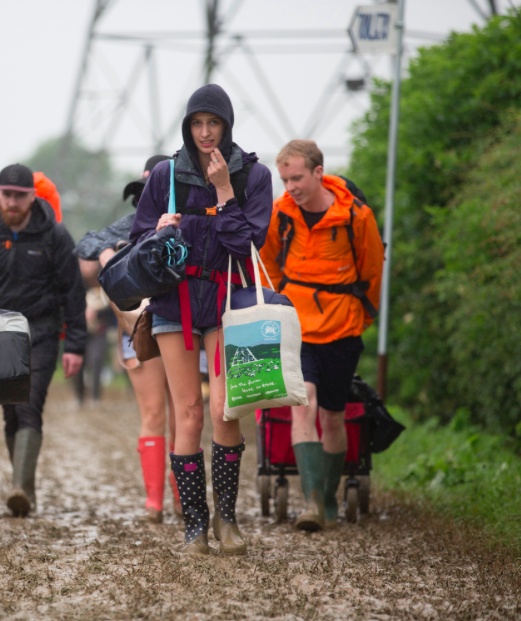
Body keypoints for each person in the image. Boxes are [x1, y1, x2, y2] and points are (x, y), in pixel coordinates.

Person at [130, 84, 273, 555]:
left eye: (214, 123)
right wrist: (156, 232)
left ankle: (226, 519)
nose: (206, 132)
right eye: (198, 123)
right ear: (187, 127)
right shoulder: (166, 175)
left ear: (228, 125)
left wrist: (225, 192)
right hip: (175, 303)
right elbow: (137, 244)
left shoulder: (254, 176)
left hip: (230, 302)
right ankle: (194, 524)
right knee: (188, 411)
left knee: (224, 409)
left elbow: (249, 247)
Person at [260, 140, 384, 530]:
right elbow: (268, 266)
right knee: (304, 402)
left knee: (332, 417)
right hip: (296, 326)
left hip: (342, 327)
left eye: (296, 177)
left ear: (318, 172)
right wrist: (279, 307)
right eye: (284, 179)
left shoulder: (356, 217)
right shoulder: (280, 213)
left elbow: (372, 273)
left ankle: (328, 500)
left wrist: (360, 318)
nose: (290, 186)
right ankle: (311, 503)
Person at [77, 154, 182, 523]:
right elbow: (87, 242)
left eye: (154, 188)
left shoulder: (190, 218)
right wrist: (109, 256)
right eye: (143, 190)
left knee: (185, 415)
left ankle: (183, 499)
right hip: (138, 326)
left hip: (185, 324)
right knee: (154, 412)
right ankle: (154, 502)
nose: (147, 197)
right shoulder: (132, 222)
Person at [0, 163, 87, 518]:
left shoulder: (55, 236)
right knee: (10, 412)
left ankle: (18, 485)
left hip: (41, 332)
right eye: (6, 194)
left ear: (32, 197)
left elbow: (73, 293)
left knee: (29, 404)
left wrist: (75, 345)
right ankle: (24, 489)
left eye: (19, 195)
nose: (12, 202)